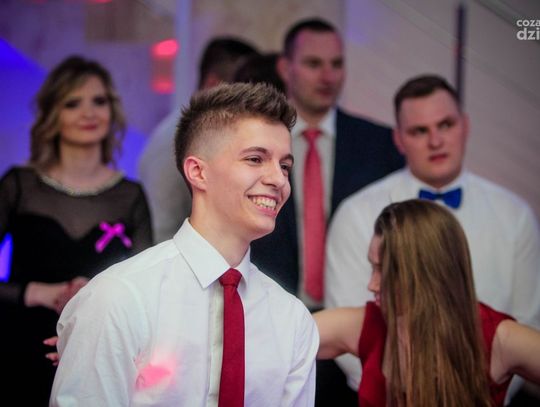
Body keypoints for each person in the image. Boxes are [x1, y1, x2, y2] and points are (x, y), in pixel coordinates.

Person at [50, 82, 319, 406]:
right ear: (197, 172)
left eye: (284, 166)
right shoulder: (120, 297)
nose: (278, 179)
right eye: (255, 159)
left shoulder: (292, 320)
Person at [325, 74, 540, 401]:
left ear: (465, 126)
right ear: (399, 139)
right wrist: (401, 390)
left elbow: (530, 317)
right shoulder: (357, 212)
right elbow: (347, 323)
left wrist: (482, 384)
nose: (436, 141)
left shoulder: (515, 214)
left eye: (446, 125)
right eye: (420, 131)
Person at [0, 55, 153, 406]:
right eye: (73, 103)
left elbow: (147, 289)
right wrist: (35, 291)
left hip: (96, 352)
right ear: (52, 114)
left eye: (99, 101)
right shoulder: (19, 185)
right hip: (17, 346)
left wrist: (95, 294)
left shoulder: (130, 195)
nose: (89, 113)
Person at [316, 199, 540, 406]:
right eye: (373, 267)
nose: (372, 285)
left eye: (386, 271)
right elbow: (295, 331)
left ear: (429, 273)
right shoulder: (367, 324)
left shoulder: (497, 338)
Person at [250, 18, 404, 310]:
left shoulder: (380, 144)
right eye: (313, 64)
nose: (327, 76)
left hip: (356, 310)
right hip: (268, 309)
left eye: (336, 64)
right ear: (285, 68)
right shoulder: (254, 140)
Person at [139, 37, 259, 244]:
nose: (249, 102)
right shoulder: (174, 139)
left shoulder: (217, 134)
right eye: (241, 90)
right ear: (213, 84)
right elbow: (160, 230)